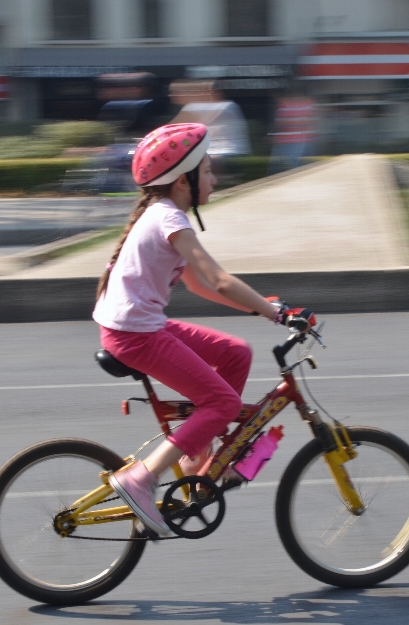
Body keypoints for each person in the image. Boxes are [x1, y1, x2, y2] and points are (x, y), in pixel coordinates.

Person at [92, 122, 312, 536]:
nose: (214, 178)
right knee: (225, 405)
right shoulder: (169, 219)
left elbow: (197, 283)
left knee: (236, 352)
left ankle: (200, 459)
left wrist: (263, 308)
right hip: (134, 334)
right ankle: (140, 479)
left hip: (138, 325)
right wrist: (275, 314)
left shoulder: (164, 214)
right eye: (207, 171)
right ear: (182, 181)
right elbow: (218, 278)